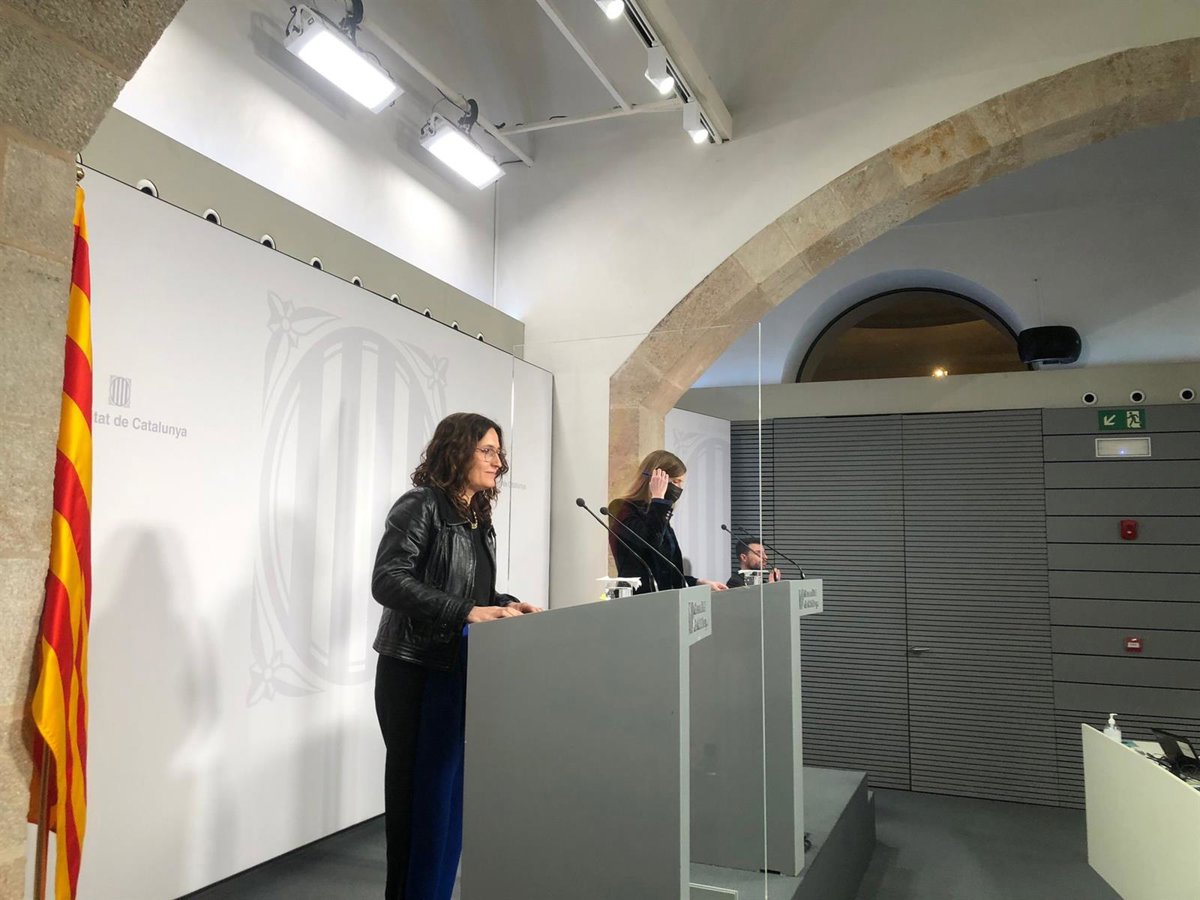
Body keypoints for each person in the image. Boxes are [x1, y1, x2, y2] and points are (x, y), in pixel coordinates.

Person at [370, 412, 542, 900]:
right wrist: (466, 611)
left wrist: (506, 604)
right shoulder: (421, 505)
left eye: (499, 452)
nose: (498, 462)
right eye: (487, 451)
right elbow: (388, 580)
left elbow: (471, 591)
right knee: (416, 804)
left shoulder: (477, 517)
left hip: (456, 670)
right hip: (414, 670)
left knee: (445, 802)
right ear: (457, 450)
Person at [607, 449, 728, 595]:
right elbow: (650, 541)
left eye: (681, 483)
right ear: (656, 480)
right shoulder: (622, 508)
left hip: (666, 600)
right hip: (639, 599)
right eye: (675, 481)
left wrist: (698, 582)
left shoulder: (657, 513)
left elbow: (667, 572)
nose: (679, 488)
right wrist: (658, 498)